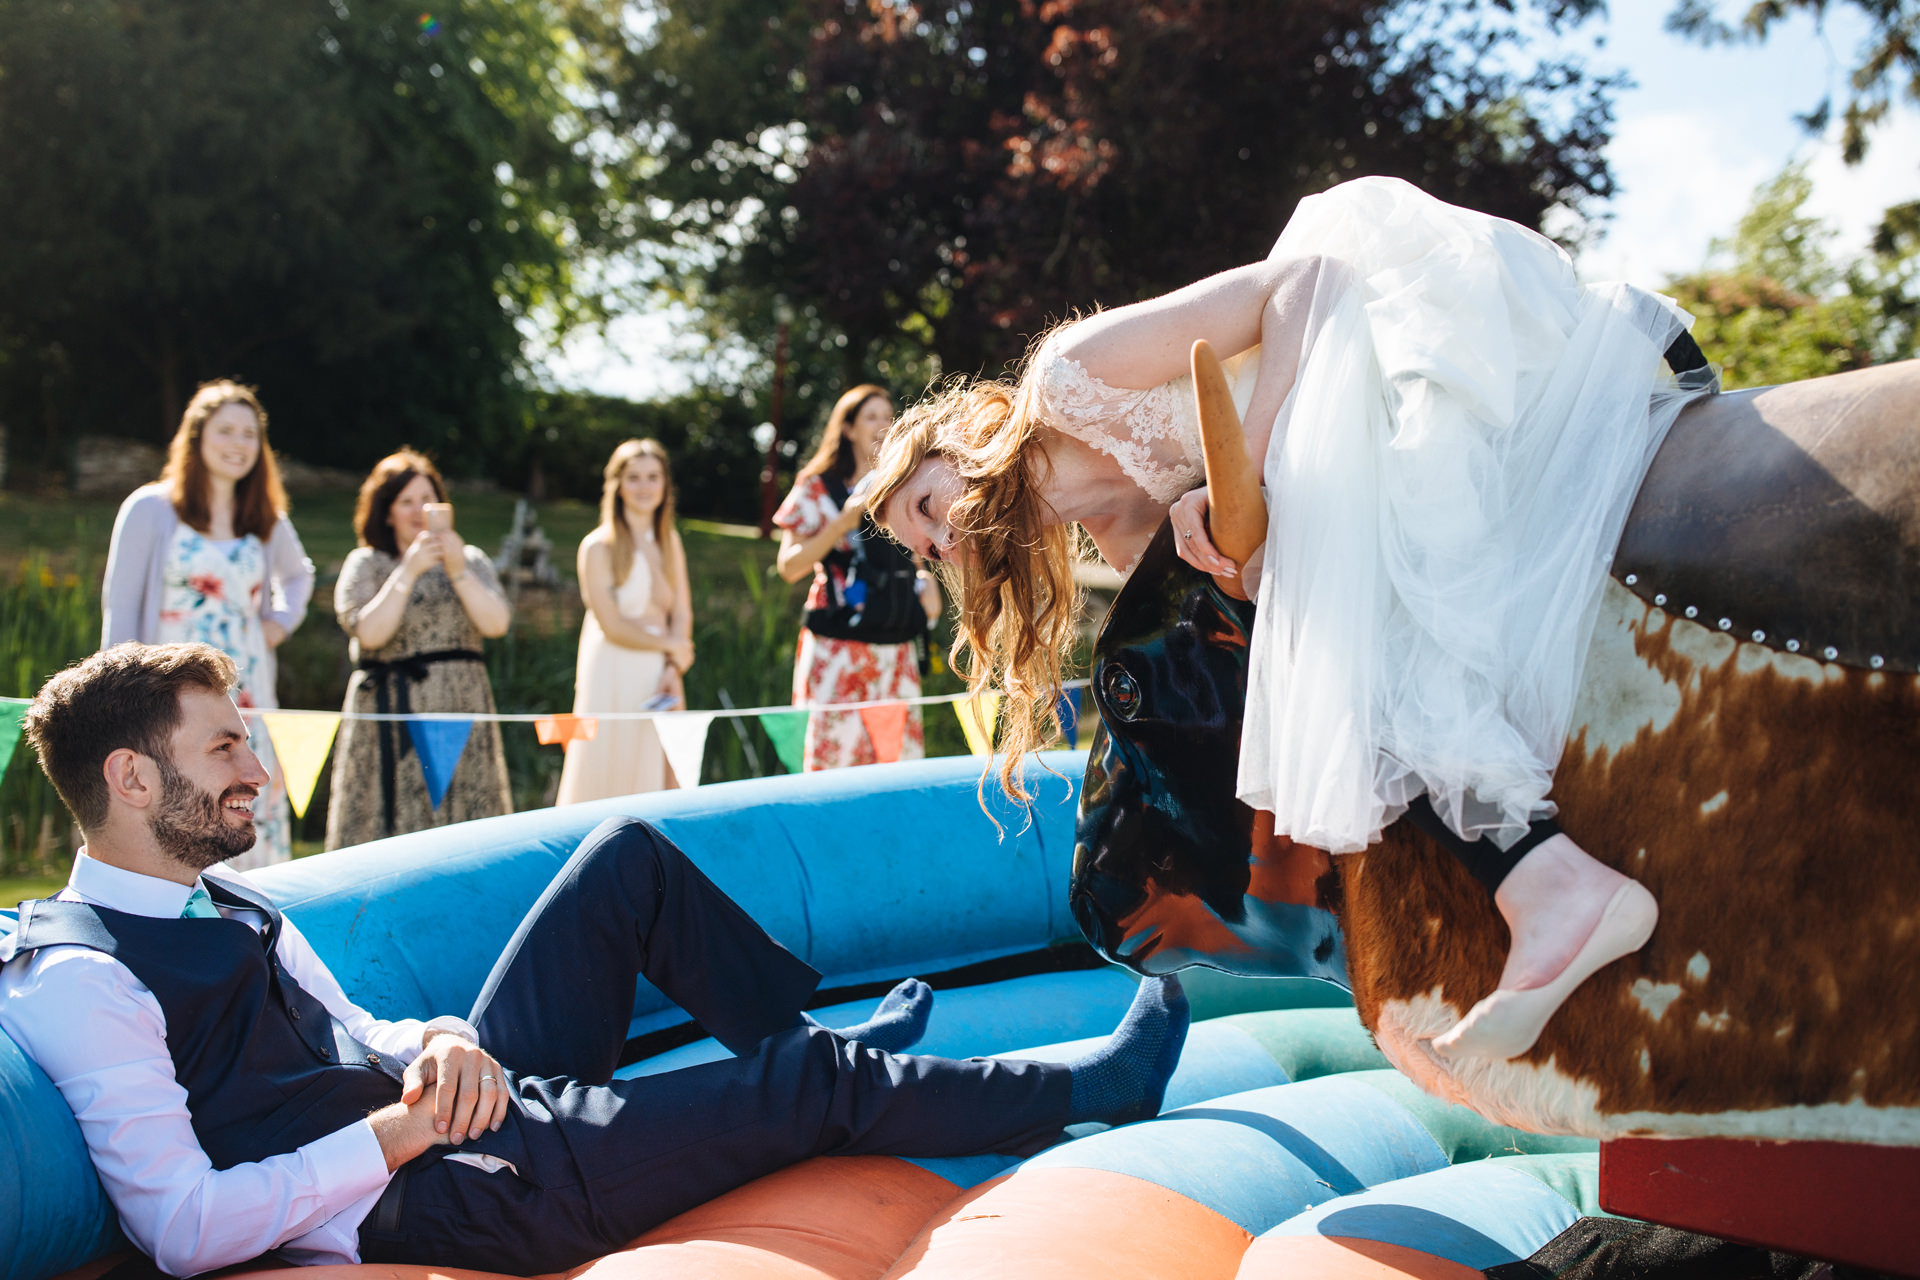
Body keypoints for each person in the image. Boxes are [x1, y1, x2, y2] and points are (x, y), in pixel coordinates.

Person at [0, 642, 1190, 1277]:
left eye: (252, 741)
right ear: (132, 777)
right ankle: (1085, 1085)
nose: (254, 769)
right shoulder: (82, 978)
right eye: (223, 747)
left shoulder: (233, 898)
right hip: (433, 1195)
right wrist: (407, 1131)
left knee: (622, 859)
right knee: (808, 1091)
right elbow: (185, 1227)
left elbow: (359, 1029)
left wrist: (445, 1042)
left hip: (443, 1114)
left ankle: (802, 1044)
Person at [870, 176, 1717, 1062]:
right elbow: (1242, 596)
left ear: (955, 444)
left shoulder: (1068, 379)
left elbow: (1301, 283)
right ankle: (1521, 886)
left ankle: (1549, 886)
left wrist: (1256, 463)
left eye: (928, 506)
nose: (945, 540)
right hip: (1310, 479)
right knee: (1304, 668)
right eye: (927, 550)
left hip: (1344, 372)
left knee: (1340, 612)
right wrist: (1212, 528)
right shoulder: (1115, 530)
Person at [100, 379, 314, 869]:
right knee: (179, 798)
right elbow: (121, 609)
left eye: (249, 434)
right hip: (168, 692)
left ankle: (252, 930)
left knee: (239, 796)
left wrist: (277, 626)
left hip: (247, 688)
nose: (238, 444)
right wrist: (118, 702)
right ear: (196, 437)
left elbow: (299, 577)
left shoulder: (265, 518)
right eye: (225, 431)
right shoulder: (150, 509)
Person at [325, 450, 513, 849]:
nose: (418, 510)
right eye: (406, 501)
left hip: (461, 712)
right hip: (390, 716)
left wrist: (457, 569)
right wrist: (408, 570)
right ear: (387, 511)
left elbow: (496, 624)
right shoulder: (367, 563)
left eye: (427, 499)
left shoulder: (472, 561)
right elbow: (369, 633)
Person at [774, 385, 944, 770]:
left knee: (894, 763)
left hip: (895, 648)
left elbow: (914, 554)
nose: (883, 425)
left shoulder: (902, 482)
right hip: (839, 648)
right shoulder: (816, 486)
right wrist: (843, 521)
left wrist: (926, 584)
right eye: (871, 417)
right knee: (833, 760)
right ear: (848, 428)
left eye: (888, 416)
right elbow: (789, 567)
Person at [557, 439, 694, 803]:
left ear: (665, 485)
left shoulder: (669, 541)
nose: (644, 486)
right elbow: (612, 624)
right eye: (634, 477)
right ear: (617, 485)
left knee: (657, 774)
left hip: (659, 674)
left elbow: (681, 611)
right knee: (608, 761)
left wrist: (673, 666)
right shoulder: (598, 547)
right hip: (612, 668)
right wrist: (673, 646)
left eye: (653, 477)